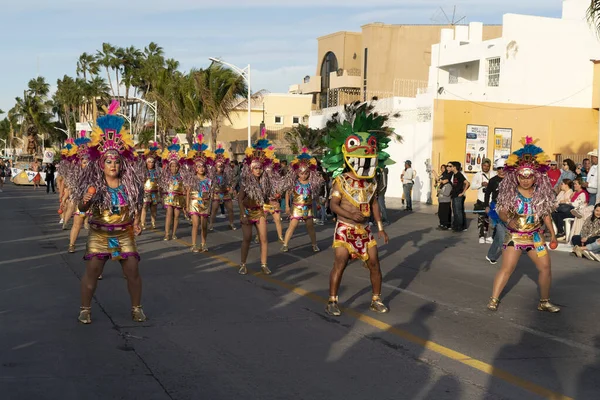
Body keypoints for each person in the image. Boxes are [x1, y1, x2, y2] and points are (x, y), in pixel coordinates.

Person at [75, 100, 146, 324]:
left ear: (121, 164)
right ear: (102, 164)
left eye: (116, 161)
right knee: (93, 271)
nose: (113, 165)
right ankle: (85, 309)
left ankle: (137, 308)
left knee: (132, 270)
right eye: (108, 161)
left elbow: (137, 203)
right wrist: (85, 202)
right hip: (100, 233)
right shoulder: (94, 184)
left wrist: (137, 222)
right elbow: (81, 208)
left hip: (124, 233)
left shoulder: (130, 185)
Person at [321, 109, 392, 317]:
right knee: (340, 262)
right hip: (345, 228)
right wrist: (351, 216)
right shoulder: (341, 180)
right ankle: (332, 300)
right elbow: (333, 205)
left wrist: (380, 228)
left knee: (374, 264)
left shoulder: (371, 181)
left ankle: (376, 299)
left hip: (364, 230)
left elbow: (375, 204)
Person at [487, 137, 559, 313]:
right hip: (515, 236)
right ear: (516, 176)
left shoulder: (540, 193)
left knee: (545, 268)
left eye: (529, 177)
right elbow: (501, 210)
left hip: (535, 236)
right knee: (507, 268)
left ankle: (544, 302)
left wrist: (553, 235)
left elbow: (546, 215)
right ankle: (494, 299)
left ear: (535, 177)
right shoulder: (510, 192)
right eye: (522, 176)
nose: (526, 180)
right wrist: (509, 220)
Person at [238, 133, 274, 275]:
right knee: (247, 239)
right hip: (247, 212)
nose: (258, 171)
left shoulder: (265, 182)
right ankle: (243, 263)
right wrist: (242, 214)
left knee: (264, 239)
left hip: (259, 212)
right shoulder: (246, 182)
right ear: (250, 169)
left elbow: (267, 198)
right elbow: (240, 199)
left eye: (260, 168)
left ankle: (264, 264)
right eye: (255, 168)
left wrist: (271, 203)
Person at [280, 148, 324, 253]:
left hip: (308, 208)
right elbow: (288, 193)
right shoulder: (294, 182)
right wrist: (287, 206)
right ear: (297, 173)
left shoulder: (311, 183)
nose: (303, 175)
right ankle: (285, 244)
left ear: (309, 173)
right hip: (296, 207)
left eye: (306, 173)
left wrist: (318, 202)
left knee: (310, 227)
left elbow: (315, 194)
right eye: (301, 173)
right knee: (292, 226)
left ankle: (314, 245)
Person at [184, 134, 214, 253]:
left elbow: (211, 195)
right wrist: (186, 206)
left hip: (205, 204)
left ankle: (203, 243)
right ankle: (194, 244)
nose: (201, 169)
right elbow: (187, 192)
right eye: (199, 167)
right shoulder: (192, 178)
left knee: (204, 226)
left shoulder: (209, 180)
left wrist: (210, 206)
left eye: (203, 167)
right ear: (195, 168)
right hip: (194, 203)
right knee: (195, 224)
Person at [159, 138, 185, 241]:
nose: (174, 168)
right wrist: (161, 197)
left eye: (176, 166)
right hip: (169, 198)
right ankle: (166, 234)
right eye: (172, 166)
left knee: (177, 216)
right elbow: (162, 187)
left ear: (179, 166)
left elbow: (184, 188)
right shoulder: (166, 176)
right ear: (169, 166)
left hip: (178, 198)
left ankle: (174, 233)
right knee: (169, 214)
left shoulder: (182, 176)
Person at [209, 144, 236, 231]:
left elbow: (232, 181)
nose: (220, 168)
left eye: (221, 166)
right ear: (215, 167)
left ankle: (231, 223)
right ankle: (211, 224)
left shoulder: (227, 174)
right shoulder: (213, 175)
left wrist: (232, 189)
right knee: (214, 209)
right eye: (218, 166)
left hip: (226, 193)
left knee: (230, 210)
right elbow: (210, 184)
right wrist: (211, 194)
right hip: (217, 193)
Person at [484, 158, 506, 264]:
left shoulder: (511, 180)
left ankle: (491, 255)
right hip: (495, 208)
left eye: (503, 168)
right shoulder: (493, 180)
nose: (502, 170)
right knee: (502, 235)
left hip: (508, 209)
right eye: (499, 168)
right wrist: (486, 206)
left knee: (498, 236)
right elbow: (487, 193)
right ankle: (508, 259)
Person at [470, 158, 495, 243]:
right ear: (482, 166)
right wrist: (480, 184)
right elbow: (472, 186)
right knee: (481, 218)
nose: (486, 167)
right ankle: (481, 236)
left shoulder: (493, 174)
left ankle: (488, 234)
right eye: (484, 165)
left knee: (490, 218)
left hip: (491, 199)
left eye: (487, 166)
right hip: (481, 199)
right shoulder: (477, 175)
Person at [140, 142, 161, 230]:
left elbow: (159, 182)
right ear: (146, 162)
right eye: (149, 162)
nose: (151, 164)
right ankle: (142, 223)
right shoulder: (143, 172)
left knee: (154, 208)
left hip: (154, 193)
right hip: (146, 192)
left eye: (152, 162)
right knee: (144, 207)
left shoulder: (157, 171)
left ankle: (153, 223)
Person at [449, 161, 470, 232]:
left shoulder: (459, 175)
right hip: (454, 195)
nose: (450, 167)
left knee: (458, 212)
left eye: (451, 166)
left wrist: (463, 192)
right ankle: (456, 225)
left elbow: (467, 183)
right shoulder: (454, 175)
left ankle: (459, 226)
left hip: (458, 195)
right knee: (455, 211)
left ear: (455, 167)